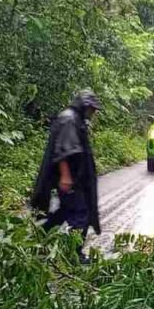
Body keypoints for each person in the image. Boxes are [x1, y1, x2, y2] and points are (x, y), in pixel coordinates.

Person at [30, 89, 102, 262]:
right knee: (81, 215)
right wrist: (66, 176)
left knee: (64, 212)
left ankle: (38, 241)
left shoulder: (75, 118)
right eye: (92, 109)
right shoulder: (69, 119)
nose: (93, 113)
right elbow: (63, 151)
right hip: (70, 179)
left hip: (75, 178)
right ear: (84, 106)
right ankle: (74, 255)